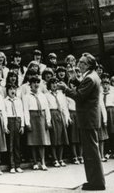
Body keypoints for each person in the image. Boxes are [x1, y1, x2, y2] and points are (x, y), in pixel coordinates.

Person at [57, 53, 106, 191]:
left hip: (88, 119)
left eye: (82, 63)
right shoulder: (92, 76)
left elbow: (79, 96)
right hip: (90, 118)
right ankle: (96, 181)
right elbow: (84, 89)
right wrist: (74, 80)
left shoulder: (90, 78)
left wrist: (65, 89)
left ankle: (96, 183)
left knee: (91, 153)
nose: (79, 65)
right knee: (92, 151)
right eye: (79, 62)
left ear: (89, 65)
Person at [23, 76, 51, 171]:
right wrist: (27, 123)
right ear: (30, 84)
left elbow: (46, 108)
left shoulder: (42, 95)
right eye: (34, 82)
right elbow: (26, 110)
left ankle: (42, 162)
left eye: (37, 82)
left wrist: (48, 120)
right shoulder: (26, 96)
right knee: (33, 142)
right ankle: (35, 162)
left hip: (41, 118)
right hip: (32, 117)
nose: (36, 84)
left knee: (42, 142)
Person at [45, 77, 69, 167]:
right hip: (52, 114)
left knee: (61, 138)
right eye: (52, 83)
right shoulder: (46, 95)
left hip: (60, 115)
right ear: (49, 85)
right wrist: (48, 120)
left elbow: (64, 107)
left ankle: (60, 158)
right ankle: (55, 159)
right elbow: (47, 108)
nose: (54, 85)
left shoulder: (61, 95)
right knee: (54, 138)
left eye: (56, 83)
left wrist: (66, 118)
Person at [4, 85, 24, 173]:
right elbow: (4, 114)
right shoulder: (5, 101)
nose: (12, 91)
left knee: (17, 144)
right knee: (10, 144)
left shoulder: (18, 100)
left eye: (14, 89)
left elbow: (21, 113)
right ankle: (11, 165)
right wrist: (5, 126)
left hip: (17, 120)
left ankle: (18, 165)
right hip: (10, 120)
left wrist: (22, 125)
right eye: (10, 89)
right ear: (7, 91)